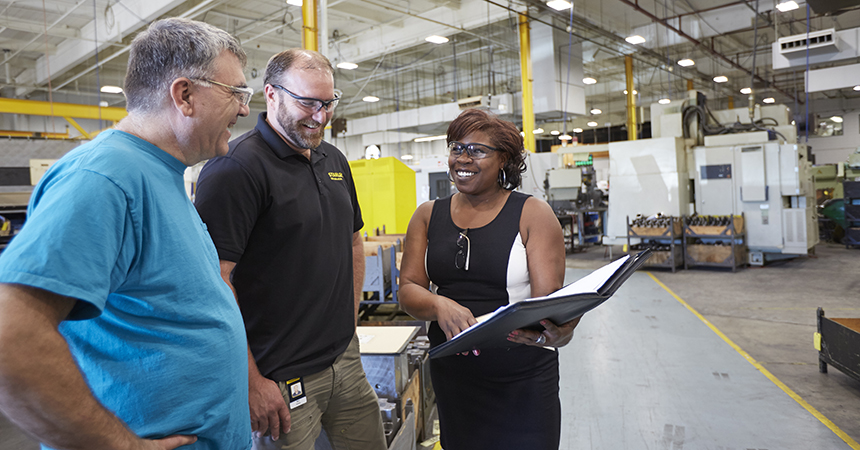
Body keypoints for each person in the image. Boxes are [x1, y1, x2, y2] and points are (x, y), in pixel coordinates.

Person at [0, 18, 253, 450]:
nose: (245, 109)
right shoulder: (106, 176)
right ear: (184, 95)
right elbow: (11, 335)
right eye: (236, 93)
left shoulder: (160, 172)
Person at [194, 48, 386, 450]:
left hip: (344, 360)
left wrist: (348, 323)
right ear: (272, 94)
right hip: (277, 377)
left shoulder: (333, 158)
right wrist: (250, 382)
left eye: (328, 103)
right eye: (307, 103)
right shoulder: (236, 169)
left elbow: (352, 239)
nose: (320, 116)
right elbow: (215, 283)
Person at [398, 108, 581, 450]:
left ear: (504, 161)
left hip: (521, 381)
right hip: (455, 379)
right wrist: (438, 304)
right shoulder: (427, 215)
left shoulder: (532, 214)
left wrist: (558, 331)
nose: (462, 158)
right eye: (456, 147)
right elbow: (408, 291)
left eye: (477, 150)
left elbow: (548, 308)